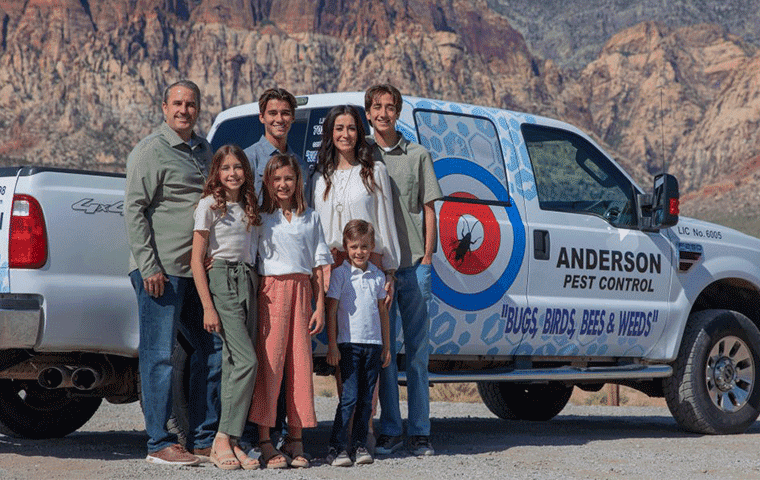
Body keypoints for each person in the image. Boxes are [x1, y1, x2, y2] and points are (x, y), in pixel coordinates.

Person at [124, 80, 222, 466]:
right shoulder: (151, 151)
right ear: (164, 107)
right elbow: (134, 209)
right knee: (158, 356)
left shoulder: (203, 151)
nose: (184, 110)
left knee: (212, 349)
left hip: (195, 273)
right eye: (178, 103)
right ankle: (159, 443)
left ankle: (201, 438)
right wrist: (149, 266)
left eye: (191, 104)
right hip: (160, 273)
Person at [365, 84, 443, 457]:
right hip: (377, 269)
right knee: (384, 353)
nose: (383, 113)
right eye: (377, 107)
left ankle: (421, 432)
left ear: (398, 112)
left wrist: (428, 258)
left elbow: (430, 209)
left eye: (390, 107)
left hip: (413, 266)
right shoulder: (362, 156)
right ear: (368, 113)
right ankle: (391, 430)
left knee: (416, 355)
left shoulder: (418, 155)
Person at [248, 154, 332, 469]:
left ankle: (295, 438)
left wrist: (320, 305)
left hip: (302, 291)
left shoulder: (309, 217)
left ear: (298, 181)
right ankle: (265, 440)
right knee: (270, 366)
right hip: (270, 292)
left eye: (289, 178)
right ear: (268, 183)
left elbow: (319, 264)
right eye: (277, 179)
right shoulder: (260, 218)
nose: (283, 185)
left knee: (299, 363)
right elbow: (248, 254)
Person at [190, 145, 261, 470]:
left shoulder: (249, 205)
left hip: (248, 279)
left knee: (234, 363)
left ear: (245, 171)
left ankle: (229, 444)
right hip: (221, 277)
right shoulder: (209, 206)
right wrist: (208, 306)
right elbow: (196, 260)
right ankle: (223, 436)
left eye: (238, 167)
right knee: (248, 360)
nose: (232, 173)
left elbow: (254, 248)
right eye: (226, 168)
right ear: (217, 173)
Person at [326, 220, 391, 467]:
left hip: (373, 345)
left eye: (364, 246)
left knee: (367, 400)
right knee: (349, 398)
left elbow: (382, 312)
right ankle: (337, 447)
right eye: (354, 247)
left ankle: (360, 444)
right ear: (346, 247)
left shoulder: (377, 275)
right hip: (348, 346)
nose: (359, 252)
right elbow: (331, 311)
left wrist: (385, 346)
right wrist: (332, 345)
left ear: (372, 246)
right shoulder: (340, 274)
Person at [312, 104, 400, 283]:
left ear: (359, 133)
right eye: (339, 128)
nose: (345, 134)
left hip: (367, 265)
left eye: (351, 128)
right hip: (328, 268)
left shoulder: (375, 171)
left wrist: (389, 271)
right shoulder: (319, 176)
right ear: (330, 133)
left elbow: (386, 222)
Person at [243, 87, 313, 200]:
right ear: (262, 117)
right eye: (273, 113)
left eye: (285, 113)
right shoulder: (248, 159)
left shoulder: (301, 166)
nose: (279, 119)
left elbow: (305, 211)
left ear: (293, 117)